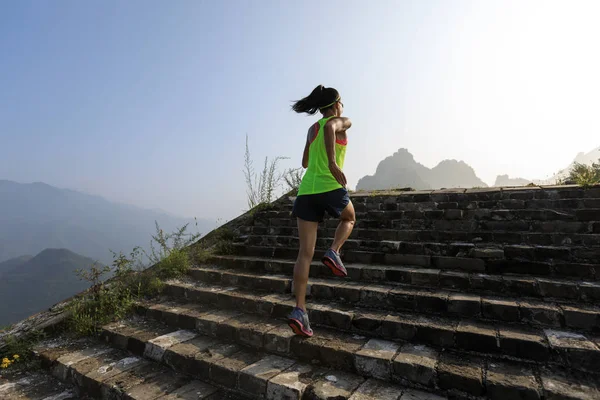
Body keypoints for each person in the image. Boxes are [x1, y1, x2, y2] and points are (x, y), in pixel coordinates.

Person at [287, 85, 356, 337]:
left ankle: (299, 311)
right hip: (329, 185)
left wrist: (317, 155)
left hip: (306, 191)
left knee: (304, 254)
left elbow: (304, 162)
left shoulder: (310, 129)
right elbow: (329, 127)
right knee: (349, 218)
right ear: (336, 104)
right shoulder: (341, 121)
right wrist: (332, 162)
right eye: (342, 103)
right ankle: (334, 251)